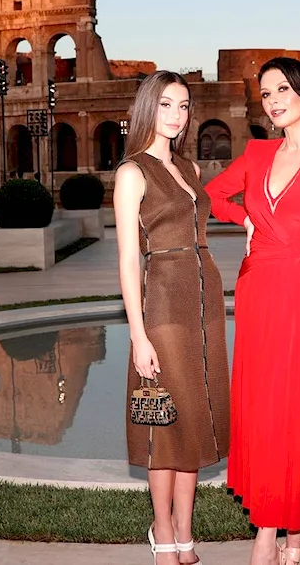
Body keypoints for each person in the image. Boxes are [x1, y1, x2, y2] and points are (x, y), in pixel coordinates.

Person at [204, 57, 300, 565]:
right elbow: (212, 196)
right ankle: (278, 526)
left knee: (296, 413)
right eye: (265, 93)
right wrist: (245, 215)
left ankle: (285, 529)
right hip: (257, 292)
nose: (271, 101)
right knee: (261, 409)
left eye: (280, 90)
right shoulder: (258, 152)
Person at [114, 70, 230, 565]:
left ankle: (186, 526)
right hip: (162, 298)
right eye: (166, 105)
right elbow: (126, 260)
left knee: (198, 415)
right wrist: (139, 336)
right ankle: (161, 526)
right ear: (148, 108)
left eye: (183, 106)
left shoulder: (191, 170)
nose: (176, 115)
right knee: (167, 420)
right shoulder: (131, 172)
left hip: (205, 296)